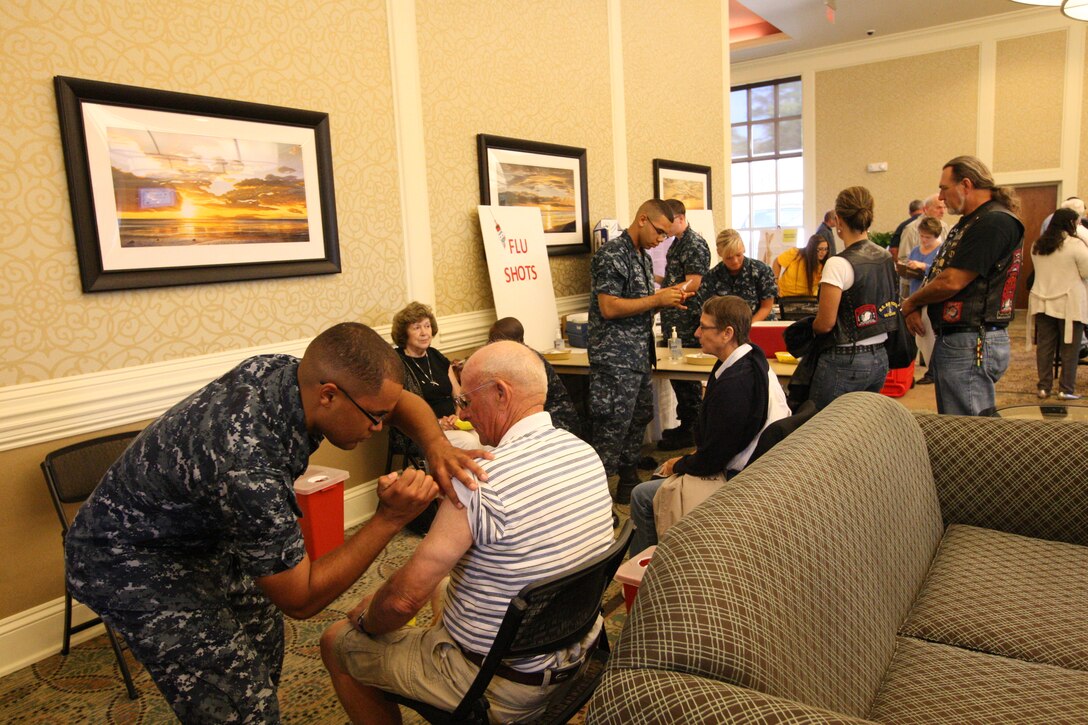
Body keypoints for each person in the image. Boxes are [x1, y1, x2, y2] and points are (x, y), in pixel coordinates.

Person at [64, 323, 488, 722]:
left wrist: (434, 443)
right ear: (328, 396)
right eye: (373, 416)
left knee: (263, 643)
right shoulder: (248, 465)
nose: (379, 427)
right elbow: (300, 600)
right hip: (129, 557)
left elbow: (395, 402)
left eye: (383, 416)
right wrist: (388, 519)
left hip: (203, 533)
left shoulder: (288, 374)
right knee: (241, 702)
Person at [320, 341, 614, 724]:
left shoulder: (479, 481)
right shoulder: (583, 452)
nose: (463, 416)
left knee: (335, 642)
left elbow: (403, 602)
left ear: (500, 393)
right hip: (579, 655)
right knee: (443, 586)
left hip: (503, 686)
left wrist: (363, 622)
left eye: (466, 402)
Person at [628, 295, 789, 554]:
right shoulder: (752, 358)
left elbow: (712, 459)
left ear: (727, 333)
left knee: (642, 495)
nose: (697, 332)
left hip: (739, 477)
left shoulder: (735, 385)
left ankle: (648, 575)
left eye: (704, 327)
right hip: (754, 465)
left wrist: (677, 464)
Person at [902, 156, 1025, 415]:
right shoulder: (974, 221)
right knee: (961, 423)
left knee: (969, 433)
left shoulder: (994, 222)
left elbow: (952, 280)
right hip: (961, 338)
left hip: (971, 340)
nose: (941, 197)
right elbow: (941, 272)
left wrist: (912, 302)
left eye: (944, 188)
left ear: (966, 185)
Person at [588, 199, 692, 504]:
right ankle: (591, 500)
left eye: (667, 236)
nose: (661, 240)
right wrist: (657, 300)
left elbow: (640, 304)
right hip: (614, 360)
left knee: (638, 418)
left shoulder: (643, 259)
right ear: (643, 219)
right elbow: (609, 307)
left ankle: (628, 480)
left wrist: (664, 299)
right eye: (659, 232)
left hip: (638, 356)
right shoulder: (612, 255)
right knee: (611, 427)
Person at [808, 186, 899, 410]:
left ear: (838, 221)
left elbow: (826, 323)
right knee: (860, 428)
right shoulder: (886, 257)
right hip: (880, 355)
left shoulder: (837, 263)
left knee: (820, 428)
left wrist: (808, 328)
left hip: (845, 357)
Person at [656, 198, 711, 451]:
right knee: (678, 376)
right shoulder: (676, 244)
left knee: (687, 376)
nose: (665, 229)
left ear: (680, 219)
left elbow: (694, 283)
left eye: (668, 223)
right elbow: (675, 278)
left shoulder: (694, 244)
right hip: (674, 318)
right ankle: (687, 423)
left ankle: (693, 428)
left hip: (687, 320)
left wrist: (664, 293)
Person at [391, 301, 478, 450]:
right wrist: (437, 423)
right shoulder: (397, 363)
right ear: (404, 333)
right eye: (417, 328)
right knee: (468, 442)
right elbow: (401, 410)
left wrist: (456, 416)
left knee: (481, 436)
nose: (424, 333)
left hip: (452, 425)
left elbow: (459, 395)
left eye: (427, 326)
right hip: (420, 431)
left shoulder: (436, 356)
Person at [487, 316, 583, 437]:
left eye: (494, 341)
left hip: (556, 419)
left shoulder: (525, 362)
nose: (490, 345)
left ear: (510, 342)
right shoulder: (515, 356)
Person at [1028, 208, 1088, 400]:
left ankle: (1044, 387)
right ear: (1071, 223)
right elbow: (1086, 272)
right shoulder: (1075, 245)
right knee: (1070, 348)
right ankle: (1066, 389)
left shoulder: (1037, 245)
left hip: (1042, 301)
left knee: (1045, 347)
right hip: (1069, 303)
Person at [694, 228, 778, 321]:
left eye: (738, 255)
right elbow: (708, 311)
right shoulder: (711, 277)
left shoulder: (762, 271)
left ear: (744, 248)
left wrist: (747, 328)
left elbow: (766, 307)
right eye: (729, 257)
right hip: (726, 328)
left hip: (759, 325)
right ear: (719, 253)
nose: (735, 261)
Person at [904, 216, 944, 385]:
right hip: (915, 293)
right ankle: (908, 372)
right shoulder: (915, 250)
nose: (924, 240)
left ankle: (933, 371)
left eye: (927, 237)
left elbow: (941, 273)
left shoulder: (941, 251)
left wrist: (923, 267)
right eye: (921, 236)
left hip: (931, 298)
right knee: (914, 335)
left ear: (935, 236)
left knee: (930, 338)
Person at [896, 194, 949, 298]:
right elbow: (903, 257)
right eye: (938, 207)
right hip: (912, 286)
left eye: (944, 207)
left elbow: (945, 268)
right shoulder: (911, 229)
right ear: (926, 209)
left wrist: (924, 266)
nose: (942, 211)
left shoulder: (945, 227)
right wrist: (906, 268)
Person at [773, 233, 829, 297]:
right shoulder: (796, 253)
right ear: (812, 248)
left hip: (808, 299)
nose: (823, 252)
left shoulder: (823, 265)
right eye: (820, 249)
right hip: (785, 296)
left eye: (825, 249)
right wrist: (775, 281)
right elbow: (777, 262)